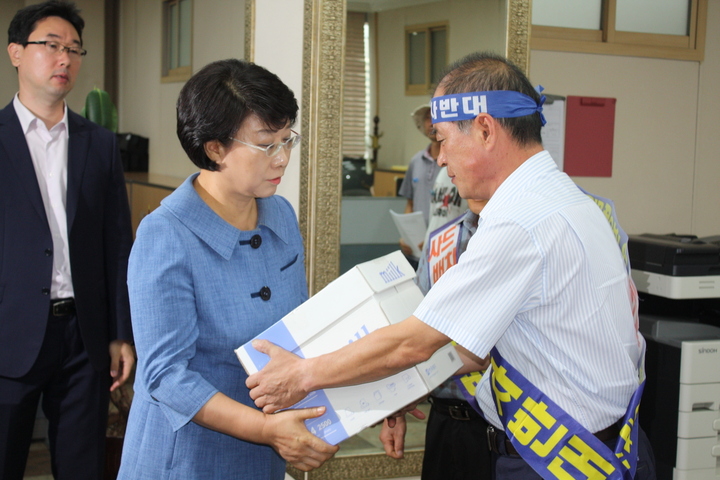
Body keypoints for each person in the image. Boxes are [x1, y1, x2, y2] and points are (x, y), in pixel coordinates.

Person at [246, 52, 656, 480]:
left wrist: (304, 374)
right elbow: (465, 350)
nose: (439, 158)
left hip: (560, 461)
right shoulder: (563, 197)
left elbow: (415, 343)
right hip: (602, 448)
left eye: (442, 139)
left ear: (484, 129)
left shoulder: (520, 220)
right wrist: (385, 389)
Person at [116, 59, 338, 480]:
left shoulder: (281, 215)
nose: (283, 158)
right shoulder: (165, 234)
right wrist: (266, 428)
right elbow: (165, 375)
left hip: (263, 457)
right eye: (266, 144)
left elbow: (298, 334)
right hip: (185, 460)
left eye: (287, 139)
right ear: (215, 147)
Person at [0, 2, 135, 479]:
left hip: (85, 336)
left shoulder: (99, 143)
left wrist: (121, 331)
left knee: (83, 467)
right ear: (16, 52)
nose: (65, 59)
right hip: (8, 333)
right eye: (52, 46)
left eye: (74, 49)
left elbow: (118, 242)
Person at [382, 198, 492, 480]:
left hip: (500, 426)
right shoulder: (442, 240)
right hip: (443, 419)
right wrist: (398, 400)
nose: (444, 159)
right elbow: (413, 330)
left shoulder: (520, 234)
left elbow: (486, 350)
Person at [398, 105, 443, 265]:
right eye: (428, 118)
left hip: (444, 252)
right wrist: (406, 236)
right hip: (415, 251)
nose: (432, 123)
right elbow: (410, 203)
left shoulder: (455, 161)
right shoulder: (415, 161)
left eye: (436, 117)